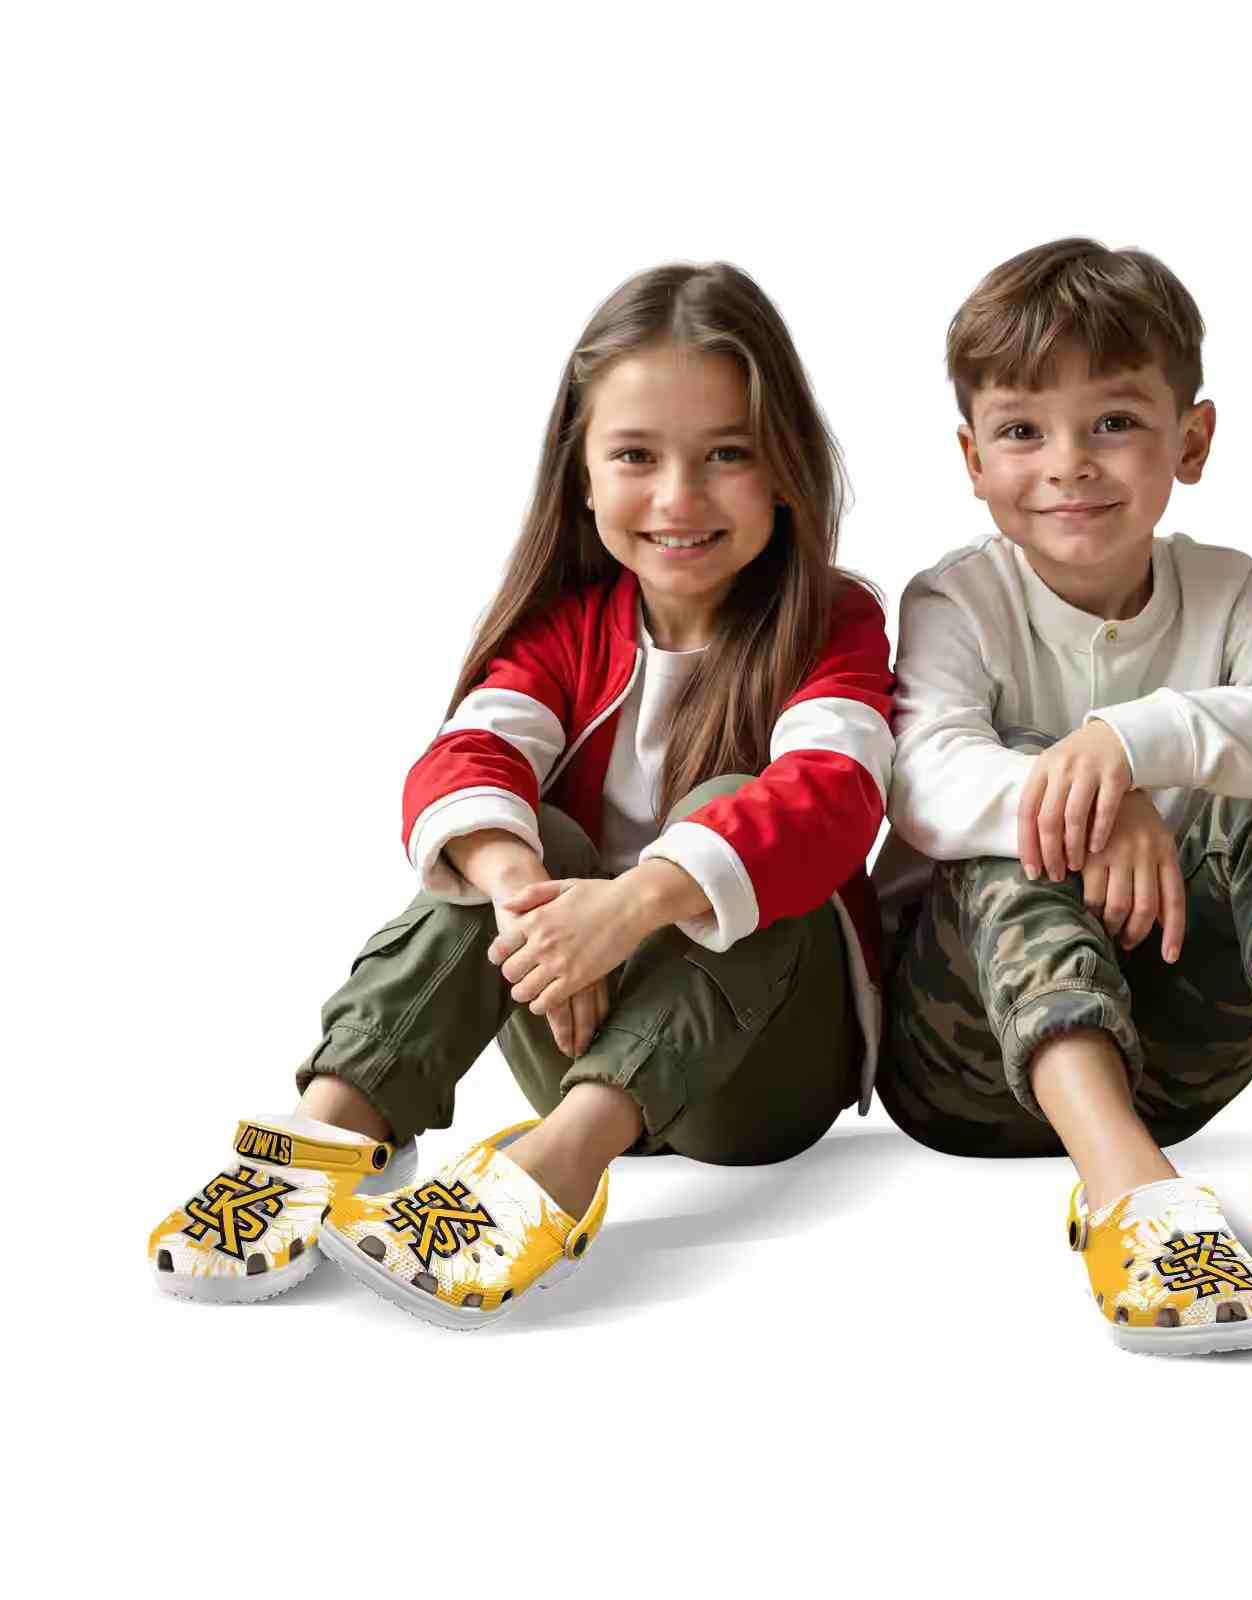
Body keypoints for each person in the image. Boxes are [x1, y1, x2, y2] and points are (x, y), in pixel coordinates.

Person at [148, 263, 894, 1327]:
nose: (678, 498)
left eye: (727, 454)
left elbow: (836, 791)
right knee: (511, 833)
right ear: (580, 474)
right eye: (636, 456)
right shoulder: (562, 629)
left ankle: (559, 1166)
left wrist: (631, 905)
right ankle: (339, 1119)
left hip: (761, 1083)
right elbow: (465, 757)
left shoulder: (834, 621)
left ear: (786, 467)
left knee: (744, 811)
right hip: (577, 1025)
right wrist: (520, 893)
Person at [872, 237, 1252, 1355]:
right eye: (1023, 432)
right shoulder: (959, 599)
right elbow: (922, 780)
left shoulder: (1224, 591)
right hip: (967, 1064)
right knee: (1018, 818)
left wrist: (1139, 740)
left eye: (1113, 422)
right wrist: (1092, 792)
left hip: (1177, 1058)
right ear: (972, 458)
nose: (1069, 464)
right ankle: (1129, 1192)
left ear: (1192, 441)